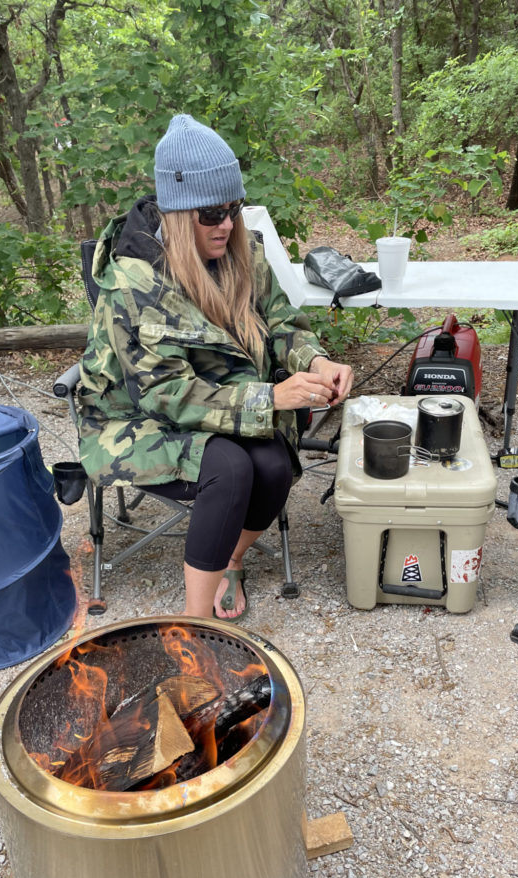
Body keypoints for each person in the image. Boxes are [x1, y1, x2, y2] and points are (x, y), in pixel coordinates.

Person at [77, 114, 353, 621]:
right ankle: (195, 626)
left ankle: (231, 559)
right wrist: (270, 399)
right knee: (228, 469)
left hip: (227, 405)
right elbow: (167, 394)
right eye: (211, 214)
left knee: (271, 465)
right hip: (134, 420)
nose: (227, 224)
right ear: (179, 214)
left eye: (233, 208)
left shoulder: (240, 252)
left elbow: (282, 320)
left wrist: (315, 359)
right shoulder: (134, 282)